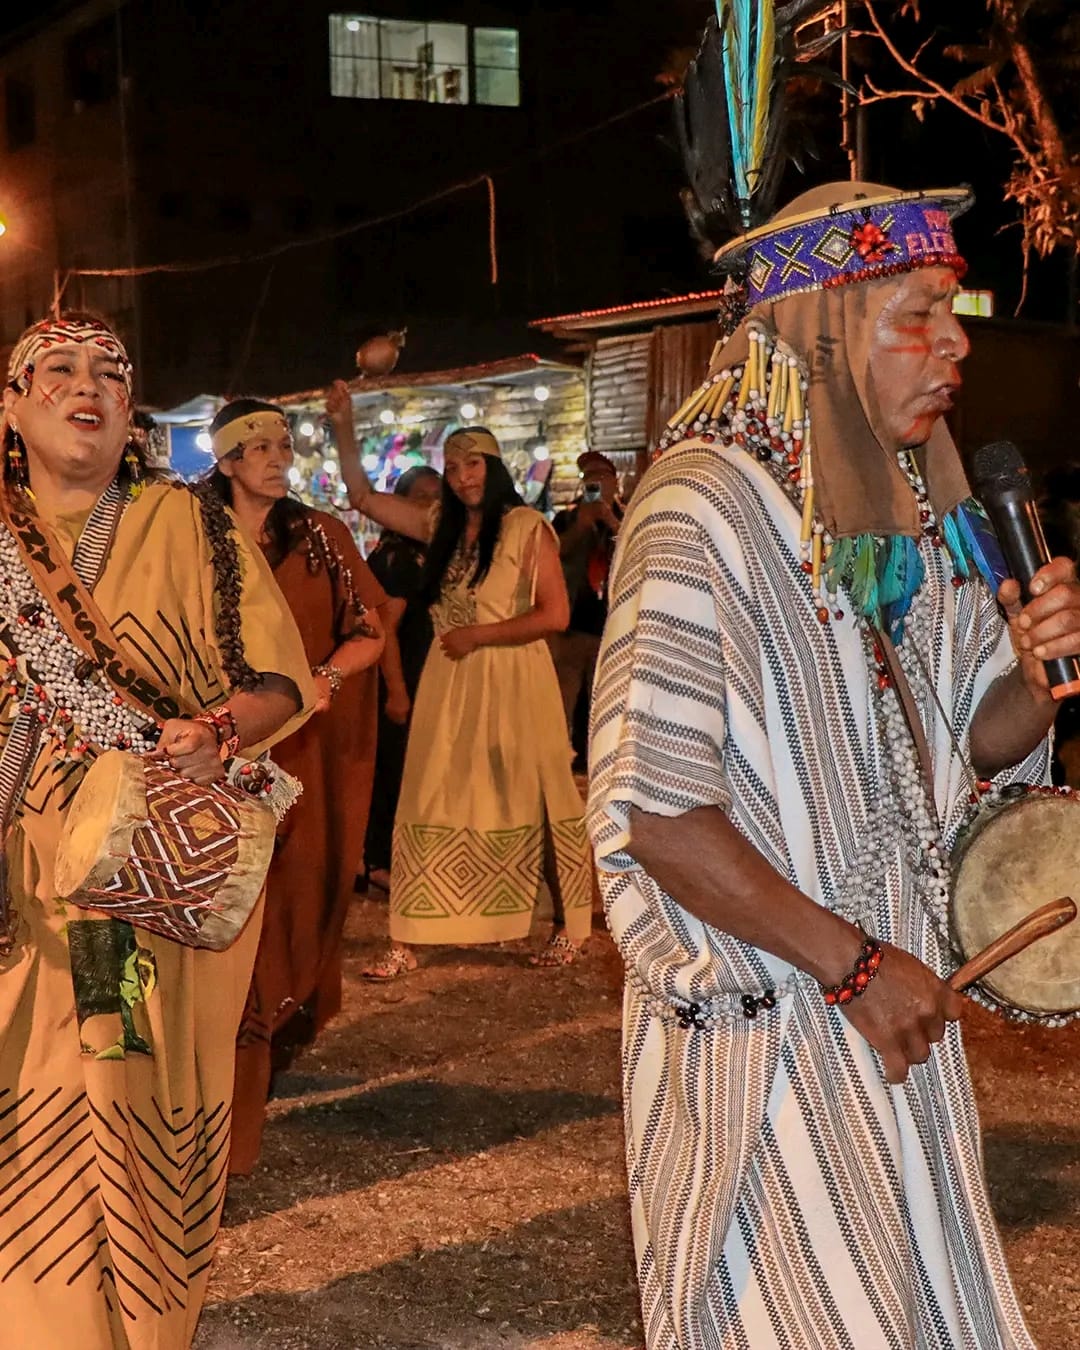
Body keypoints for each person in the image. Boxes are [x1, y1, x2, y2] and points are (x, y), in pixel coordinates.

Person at [588, 182, 1080, 1349]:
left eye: (952, 308)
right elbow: (655, 810)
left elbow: (970, 747)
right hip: (773, 1031)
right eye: (917, 313)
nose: (955, 342)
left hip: (889, 1005)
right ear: (823, 329)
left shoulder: (915, 515)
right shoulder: (699, 509)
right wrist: (854, 969)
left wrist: (1031, 675)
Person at [0, 315, 313, 1347]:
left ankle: (127, 1322)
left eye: (110, 374)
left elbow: (280, 682)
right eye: (57, 370)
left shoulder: (186, 522)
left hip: (135, 867)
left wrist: (216, 733)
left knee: (121, 1075)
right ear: (12, 406)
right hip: (12, 870)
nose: (86, 387)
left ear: (132, 411)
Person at [327, 381, 593, 976]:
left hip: (515, 677)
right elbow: (362, 496)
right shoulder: (439, 525)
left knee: (540, 793)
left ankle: (567, 925)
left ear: (493, 468)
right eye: (452, 468)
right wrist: (343, 427)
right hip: (450, 683)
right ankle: (408, 937)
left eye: (472, 465)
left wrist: (481, 635)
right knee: (428, 793)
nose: (462, 477)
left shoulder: (526, 527)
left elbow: (555, 615)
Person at [205, 399, 388, 1175]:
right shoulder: (191, 535)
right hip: (213, 752)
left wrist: (325, 679)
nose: (277, 458)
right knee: (226, 903)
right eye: (258, 448)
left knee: (294, 895)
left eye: (283, 445)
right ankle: (224, 1101)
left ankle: (265, 1041)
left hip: (302, 751)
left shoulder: (321, 536)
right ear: (225, 461)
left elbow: (370, 630)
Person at [362, 464, 442, 895]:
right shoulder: (398, 558)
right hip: (405, 679)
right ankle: (380, 862)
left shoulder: (429, 552)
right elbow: (385, 628)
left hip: (428, 680)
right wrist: (396, 690)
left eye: (438, 495)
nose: (431, 505)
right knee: (396, 772)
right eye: (421, 496)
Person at [550, 450, 623, 771]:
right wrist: (582, 526)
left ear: (615, 482)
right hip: (572, 625)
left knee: (604, 698)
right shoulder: (567, 519)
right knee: (563, 699)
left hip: (612, 626)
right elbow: (553, 554)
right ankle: (559, 759)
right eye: (589, 479)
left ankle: (601, 758)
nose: (596, 485)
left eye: (602, 478)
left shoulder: (627, 515)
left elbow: (634, 551)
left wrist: (611, 521)